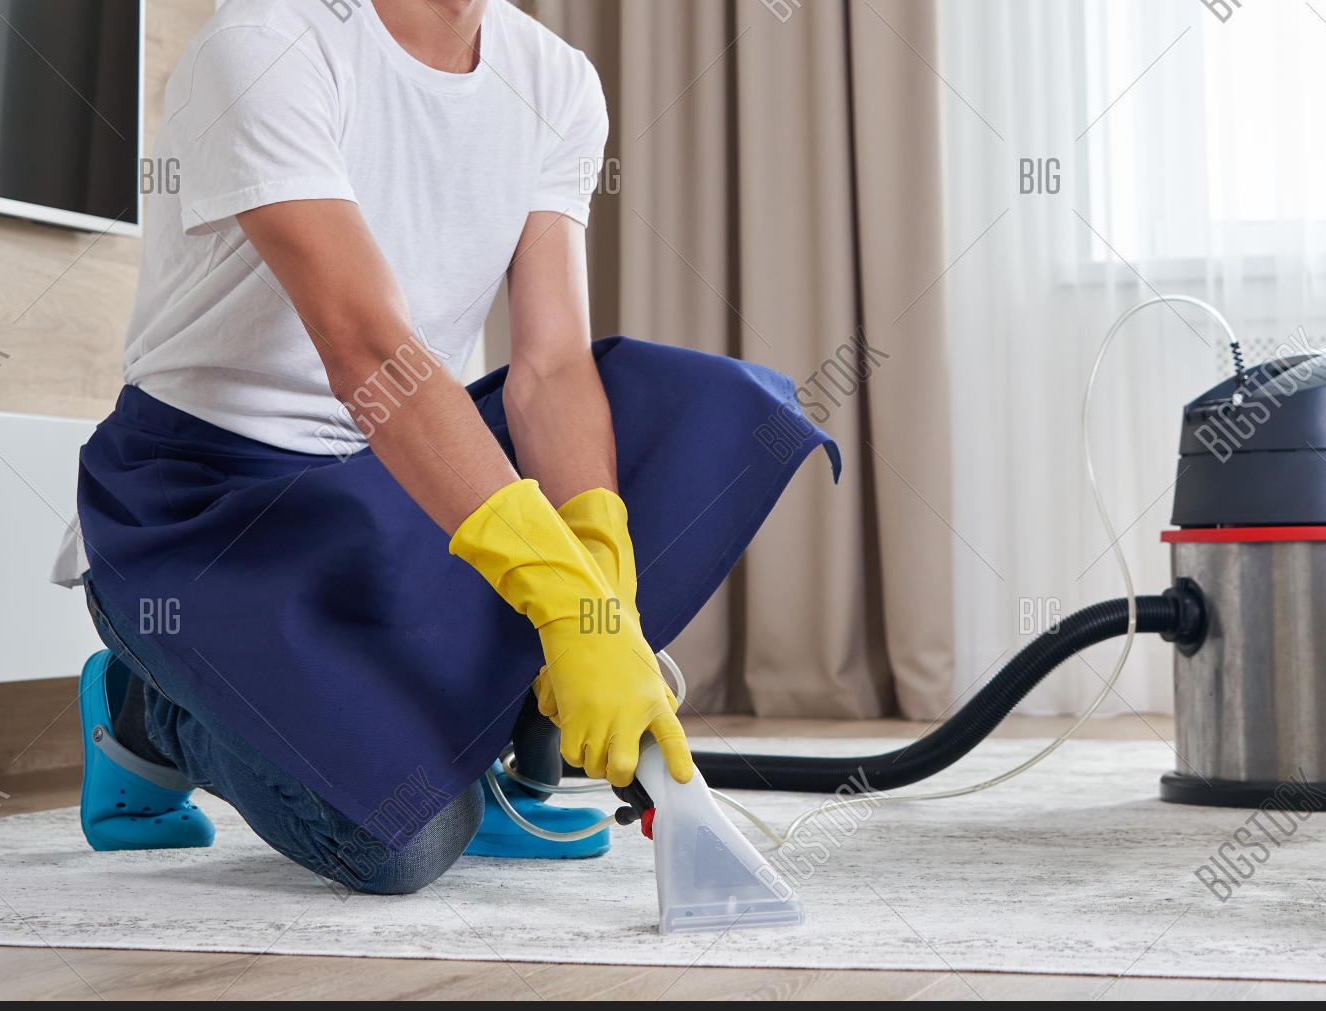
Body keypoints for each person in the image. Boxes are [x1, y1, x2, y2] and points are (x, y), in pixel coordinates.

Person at [54, 0, 837, 894]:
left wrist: (599, 596)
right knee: (399, 839)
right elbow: (367, 349)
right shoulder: (266, 44)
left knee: (712, 411)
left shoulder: (555, 79)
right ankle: (145, 711)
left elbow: (550, 368)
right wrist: (553, 595)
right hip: (211, 505)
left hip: (391, 476)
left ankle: (493, 729)